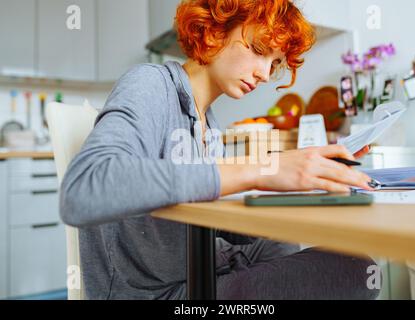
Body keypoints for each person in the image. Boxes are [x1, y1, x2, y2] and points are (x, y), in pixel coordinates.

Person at [60, 0, 380, 300]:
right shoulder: (150, 83)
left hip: (199, 264)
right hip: (155, 291)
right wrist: (256, 171)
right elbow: (84, 187)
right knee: (358, 268)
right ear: (215, 29)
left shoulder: (208, 122)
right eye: (258, 50)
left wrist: (291, 187)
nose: (265, 74)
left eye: (275, 63)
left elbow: (208, 220)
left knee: (279, 243)